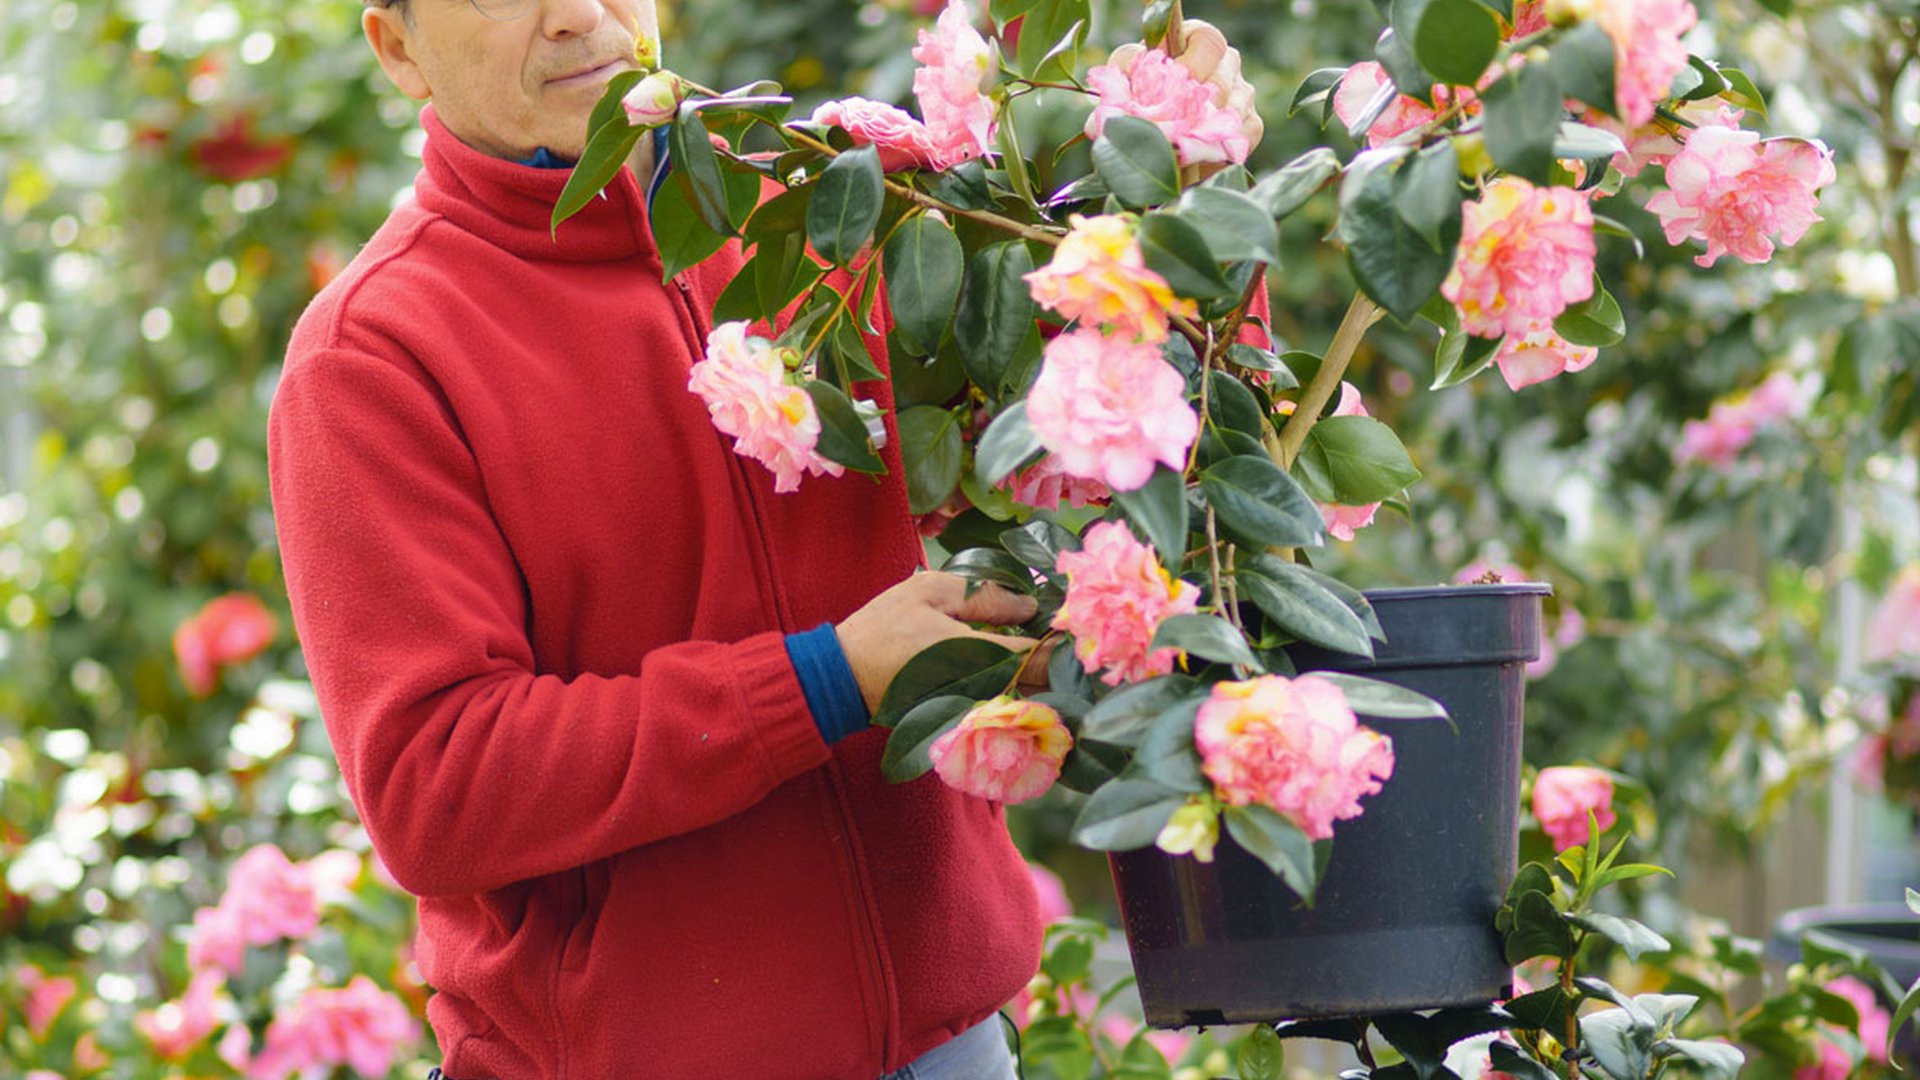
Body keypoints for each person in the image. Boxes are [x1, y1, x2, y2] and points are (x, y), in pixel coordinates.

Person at [268, 0, 1053, 1075]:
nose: (579, 16)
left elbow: (1105, 420)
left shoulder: (825, 216)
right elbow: (434, 785)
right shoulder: (375, 357)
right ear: (398, 47)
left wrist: (1191, 192)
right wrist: (826, 681)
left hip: (950, 1043)